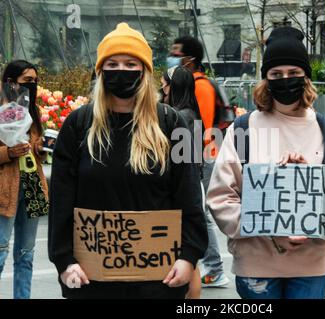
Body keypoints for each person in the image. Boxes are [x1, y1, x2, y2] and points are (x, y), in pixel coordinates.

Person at [48, 22, 207, 299]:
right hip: (91, 279)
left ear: (144, 72)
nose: (121, 71)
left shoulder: (173, 123)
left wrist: (188, 256)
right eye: (113, 63)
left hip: (159, 280)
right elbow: (62, 200)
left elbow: (190, 196)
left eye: (131, 64)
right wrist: (64, 263)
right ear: (100, 71)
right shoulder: (78, 124)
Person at [207, 26, 325, 299]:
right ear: (265, 79)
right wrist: (268, 229)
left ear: (306, 78)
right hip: (256, 268)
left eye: (293, 74)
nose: (285, 80)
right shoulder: (243, 130)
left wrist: (310, 178)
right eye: (276, 74)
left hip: (310, 268)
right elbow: (220, 198)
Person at [168, 36, 230, 288]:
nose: (171, 55)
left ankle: (214, 268)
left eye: (176, 53)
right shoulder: (190, 83)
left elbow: (198, 127)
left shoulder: (200, 86)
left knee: (200, 211)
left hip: (203, 156)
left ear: (190, 59)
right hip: (198, 155)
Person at [0, 60, 49, 299]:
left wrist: (40, 147)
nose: (33, 85)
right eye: (27, 81)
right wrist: (8, 152)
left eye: (35, 81)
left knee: (26, 254)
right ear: (10, 82)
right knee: (0, 251)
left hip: (32, 184)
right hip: (5, 188)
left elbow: (36, 144)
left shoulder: (34, 111)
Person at [160, 65, 204, 298]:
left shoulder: (177, 116)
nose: (162, 89)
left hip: (186, 186)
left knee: (188, 257)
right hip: (195, 182)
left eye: (164, 84)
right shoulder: (192, 112)